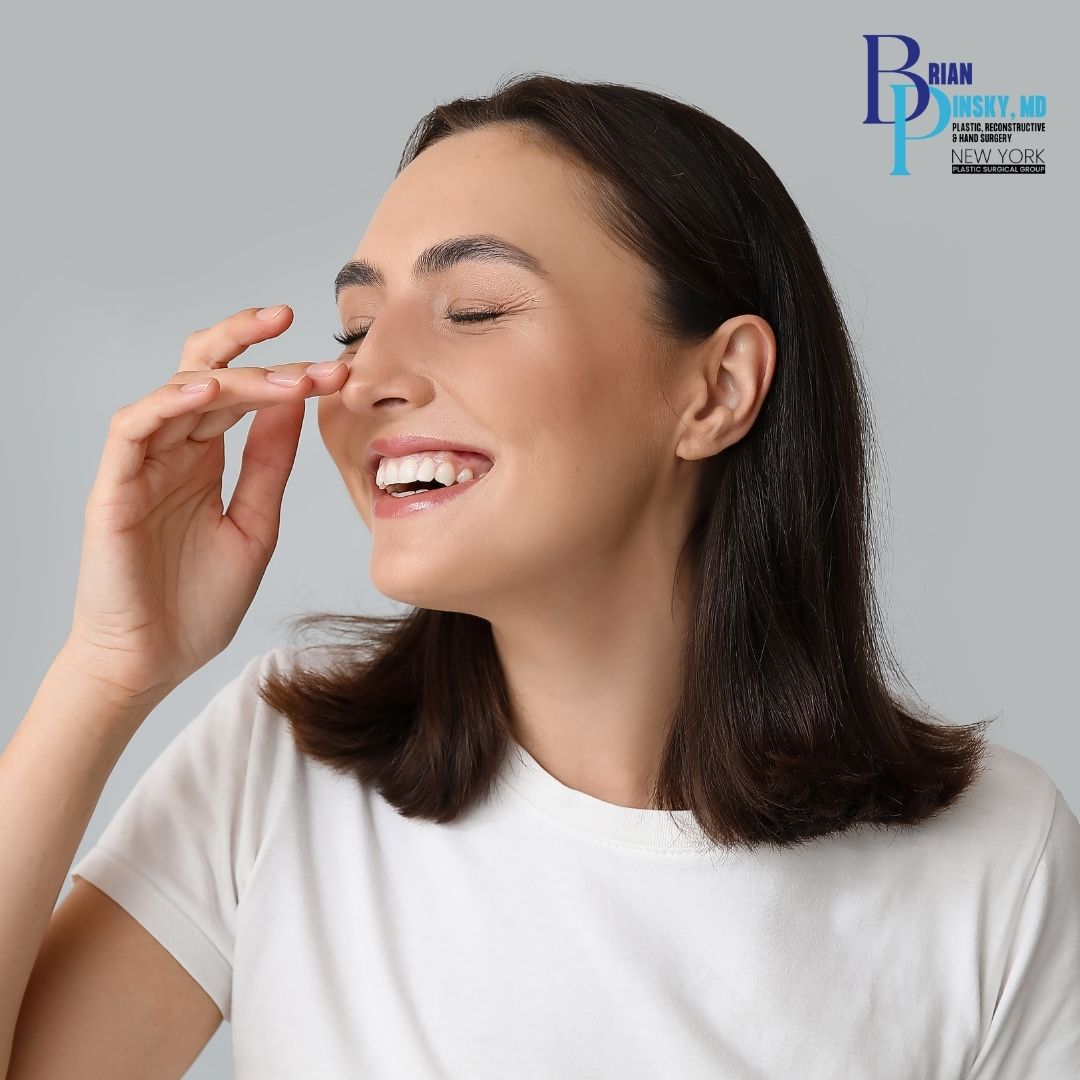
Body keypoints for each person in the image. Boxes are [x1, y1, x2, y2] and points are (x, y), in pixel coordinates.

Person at [3, 73, 1078, 1078]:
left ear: (716, 389)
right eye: (356, 327)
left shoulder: (998, 857)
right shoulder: (282, 761)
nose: (366, 378)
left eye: (474, 309)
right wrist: (107, 673)